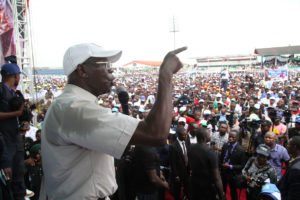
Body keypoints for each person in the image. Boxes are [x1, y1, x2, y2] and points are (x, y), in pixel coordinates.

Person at [41, 43, 187, 200]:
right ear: (82, 70)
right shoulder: (73, 107)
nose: (111, 70)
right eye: (105, 65)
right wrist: (165, 74)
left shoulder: (69, 104)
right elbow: (156, 134)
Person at [0, 63, 26, 200]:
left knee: (19, 178)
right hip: (5, 141)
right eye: (19, 76)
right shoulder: (1, 90)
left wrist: (21, 124)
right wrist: (16, 113)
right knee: (9, 180)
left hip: (15, 139)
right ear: (15, 76)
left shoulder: (14, 93)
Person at [188, 128, 226, 200]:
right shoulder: (210, 152)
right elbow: (217, 177)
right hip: (206, 188)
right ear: (204, 137)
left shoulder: (190, 148)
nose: (210, 136)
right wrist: (222, 195)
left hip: (193, 184)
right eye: (209, 134)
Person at [220, 130, 246, 200]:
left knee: (233, 191)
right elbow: (221, 157)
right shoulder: (225, 145)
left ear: (237, 138)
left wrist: (231, 166)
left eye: (233, 137)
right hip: (223, 172)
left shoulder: (241, 150)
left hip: (233, 174)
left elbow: (242, 166)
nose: (230, 138)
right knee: (222, 190)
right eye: (229, 137)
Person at [169, 127, 190, 200]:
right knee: (177, 190)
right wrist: (176, 175)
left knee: (188, 188)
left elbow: (188, 155)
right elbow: (173, 162)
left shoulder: (187, 141)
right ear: (178, 135)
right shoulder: (173, 146)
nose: (185, 136)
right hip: (178, 172)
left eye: (186, 135)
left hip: (187, 171)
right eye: (183, 135)